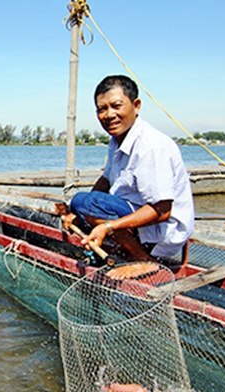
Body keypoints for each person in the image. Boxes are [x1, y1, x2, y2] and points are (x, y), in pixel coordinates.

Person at [62, 75, 194, 263]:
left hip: (164, 233)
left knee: (85, 202)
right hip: (137, 214)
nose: (109, 115)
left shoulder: (150, 146)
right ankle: (130, 244)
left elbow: (163, 210)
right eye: (102, 109)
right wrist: (77, 213)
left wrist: (108, 227)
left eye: (117, 106)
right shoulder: (117, 139)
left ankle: (144, 260)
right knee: (80, 202)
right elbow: (106, 180)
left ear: (136, 105)